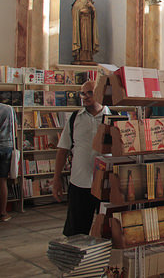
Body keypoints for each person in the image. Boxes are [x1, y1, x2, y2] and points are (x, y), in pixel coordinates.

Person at [54, 80, 111, 236]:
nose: (85, 97)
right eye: (82, 93)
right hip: (80, 183)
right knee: (76, 231)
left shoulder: (114, 118)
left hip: (105, 184)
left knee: (107, 230)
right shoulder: (74, 119)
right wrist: (56, 179)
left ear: (100, 93)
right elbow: (63, 150)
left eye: (89, 93)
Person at [71, 0, 99, 64]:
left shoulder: (89, 2)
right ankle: (80, 56)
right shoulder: (78, 2)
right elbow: (75, 10)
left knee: (89, 39)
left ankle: (88, 56)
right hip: (81, 23)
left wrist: (92, 7)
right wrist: (82, 11)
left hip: (89, 23)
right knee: (83, 38)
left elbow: (94, 13)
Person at [0, 103, 17, 222]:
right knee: (2, 181)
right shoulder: (9, 109)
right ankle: (3, 212)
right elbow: (15, 128)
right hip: (7, 146)